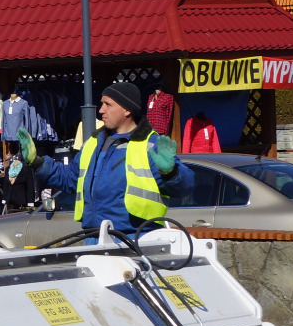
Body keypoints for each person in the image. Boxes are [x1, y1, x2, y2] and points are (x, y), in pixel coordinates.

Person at [20, 81, 190, 233]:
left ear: (127, 110)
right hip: (94, 237)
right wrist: (37, 163)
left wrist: (171, 173)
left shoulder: (151, 145)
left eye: (108, 105)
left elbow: (184, 189)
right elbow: (71, 178)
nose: (101, 110)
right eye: (102, 104)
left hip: (135, 240)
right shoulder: (93, 143)